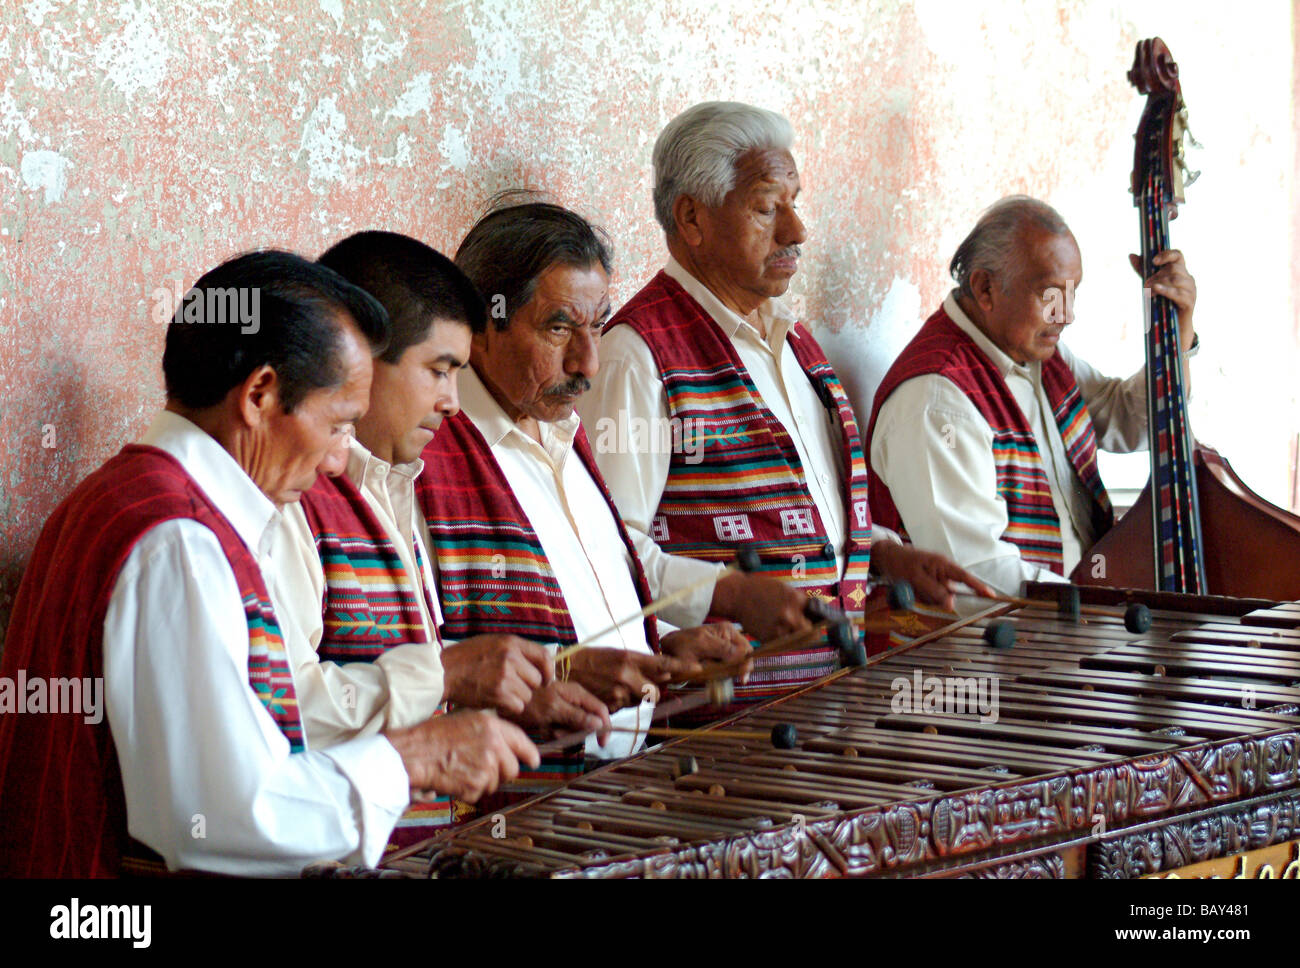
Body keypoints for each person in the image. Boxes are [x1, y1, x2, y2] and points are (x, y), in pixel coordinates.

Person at [0, 251, 536, 877]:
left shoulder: (124, 496)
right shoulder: (181, 542)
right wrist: (408, 757)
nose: (338, 462)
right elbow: (219, 815)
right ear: (259, 394)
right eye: (338, 426)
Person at [580, 101, 987, 706]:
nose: (796, 231)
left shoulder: (793, 342)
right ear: (691, 218)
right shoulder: (636, 357)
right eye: (768, 208)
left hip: (823, 703)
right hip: (717, 721)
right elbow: (610, 554)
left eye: (795, 205)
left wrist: (884, 555)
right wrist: (730, 594)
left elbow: (811, 514)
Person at [282, 231, 610, 838]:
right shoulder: (292, 507)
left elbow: (404, 685)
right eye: (439, 371)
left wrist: (510, 698)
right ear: (357, 359)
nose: (453, 403)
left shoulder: (399, 491)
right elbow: (281, 711)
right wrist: (444, 674)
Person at [418, 197, 750, 789]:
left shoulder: (567, 434)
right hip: (509, 811)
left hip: (620, 785)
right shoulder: (427, 458)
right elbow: (411, 660)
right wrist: (547, 682)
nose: (588, 362)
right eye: (558, 328)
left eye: (597, 324)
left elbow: (591, 617)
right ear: (481, 323)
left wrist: (666, 648)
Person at [865, 196, 1199, 595]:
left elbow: (1131, 421)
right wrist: (1102, 614)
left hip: (1074, 621)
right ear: (985, 288)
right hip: (991, 649)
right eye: (1050, 294)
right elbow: (975, 578)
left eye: (1073, 292)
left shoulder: (1039, 356)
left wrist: (1175, 337)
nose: (1068, 314)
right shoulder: (936, 400)